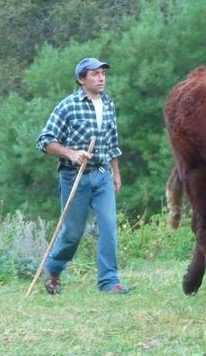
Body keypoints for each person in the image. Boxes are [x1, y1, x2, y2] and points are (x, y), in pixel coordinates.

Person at [36, 57, 129, 294]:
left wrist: (115, 173)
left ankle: (109, 281)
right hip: (74, 178)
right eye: (95, 74)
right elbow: (45, 141)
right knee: (73, 233)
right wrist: (71, 153)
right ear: (81, 79)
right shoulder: (67, 106)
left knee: (109, 227)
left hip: (102, 176)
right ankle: (54, 269)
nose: (101, 78)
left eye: (103, 74)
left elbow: (112, 143)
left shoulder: (108, 104)